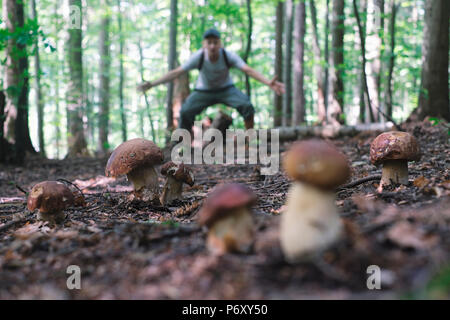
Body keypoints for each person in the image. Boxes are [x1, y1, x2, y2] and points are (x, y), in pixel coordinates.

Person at [137, 28, 285, 135]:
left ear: (220, 43)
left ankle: (250, 140)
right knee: (186, 111)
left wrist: (268, 83)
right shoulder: (199, 57)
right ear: (204, 44)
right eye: (209, 42)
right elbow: (177, 72)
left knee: (246, 105)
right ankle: (182, 145)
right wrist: (152, 84)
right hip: (203, 91)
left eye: (215, 42)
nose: (213, 46)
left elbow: (247, 70)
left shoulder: (228, 56)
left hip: (226, 89)